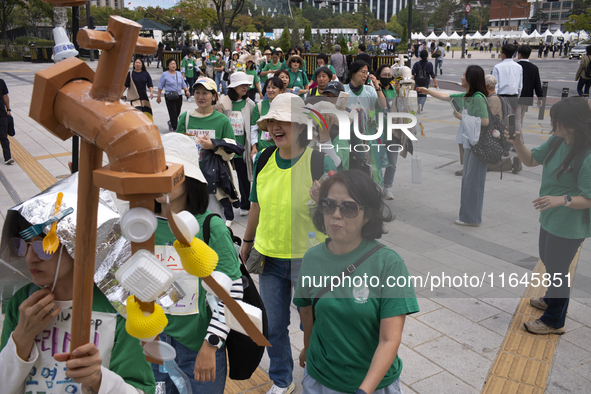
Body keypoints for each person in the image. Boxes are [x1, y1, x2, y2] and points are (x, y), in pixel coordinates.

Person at [0, 179, 156, 394]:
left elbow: (140, 389)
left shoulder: (118, 307)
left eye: (44, 246)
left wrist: (100, 380)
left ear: (77, 245)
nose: (29, 258)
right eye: (22, 246)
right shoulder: (24, 302)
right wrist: (21, 338)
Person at [239, 93, 336, 394]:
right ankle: (282, 378)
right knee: (274, 325)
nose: (275, 127)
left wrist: (327, 201)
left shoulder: (320, 160)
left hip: (310, 260)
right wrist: (247, 241)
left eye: (284, 121)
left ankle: (317, 376)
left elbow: (345, 209)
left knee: (313, 324)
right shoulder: (264, 158)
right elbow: (255, 204)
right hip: (268, 257)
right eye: (271, 121)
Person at [294, 170, 419, 394]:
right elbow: (307, 313)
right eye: (328, 205)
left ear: (368, 215)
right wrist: (308, 347)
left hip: (371, 384)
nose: (336, 215)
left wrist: (364, 390)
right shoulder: (312, 259)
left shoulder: (389, 264)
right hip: (319, 380)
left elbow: (389, 339)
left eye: (348, 207)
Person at [151, 133, 243, 393]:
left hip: (199, 346)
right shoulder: (140, 227)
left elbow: (231, 292)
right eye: (154, 173)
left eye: (168, 172)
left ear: (188, 178)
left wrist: (210, 345)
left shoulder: (210, 227)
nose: (160, 180)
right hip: (153, 345)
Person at [506, 97, 591, 335]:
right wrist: (518, 142)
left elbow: (589, 197)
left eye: (556, 120)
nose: (552, 122)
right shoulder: (557, 140)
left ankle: (554, 320)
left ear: (572, 124)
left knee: (558, 270)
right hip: (551, 217)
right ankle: (552, 299)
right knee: (549, 261)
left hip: (570, 224)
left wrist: (562, 199)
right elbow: (531, 160)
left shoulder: (587, 156)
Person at [417, 65, 490, 226]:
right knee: (469, 180)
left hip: (478, 145)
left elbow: (485, 121)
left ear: (471, 79)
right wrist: (428, 91)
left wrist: (461, 117)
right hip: (472, 143)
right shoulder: (468, 95)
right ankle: (468, 216)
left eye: (464, 74)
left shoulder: (477, 97)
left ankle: (472, 218)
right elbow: (446, 96)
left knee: (474, 182)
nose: (461, 77)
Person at [176, 77, 238, 227]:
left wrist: (214, 146)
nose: (200, 97)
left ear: (214, 96)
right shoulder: (186, 118)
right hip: (189, 180)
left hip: (213, 182)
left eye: (205, 93)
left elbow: (232, 151)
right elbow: (176, 146)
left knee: (212, 223)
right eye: (197, 92)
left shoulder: (222, 120)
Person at [344, 60, 387, 183]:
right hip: (347, 135)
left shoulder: (370, 90)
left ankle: (367, 188)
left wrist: (377, 87)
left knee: (367, 163)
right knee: (349, 161)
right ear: (353, 73)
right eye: (362, 72)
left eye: (366, 72)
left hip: (367, 136)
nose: (365, 75)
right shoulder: (344, 90)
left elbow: (382, 105)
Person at [220, 72, 256, 217]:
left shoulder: (250, 104)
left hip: (242, 147)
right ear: (233, 87)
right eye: (242, 85)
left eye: (247, 85)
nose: (245, 88)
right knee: (226, 177)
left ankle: (245, 204)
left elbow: (253, 125)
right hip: (227, 146)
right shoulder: (224, 102)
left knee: (243, 176)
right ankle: (229, 203)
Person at [484, 74, 522, 174]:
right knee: (482, 162)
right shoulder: (496, 96)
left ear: (486, 86)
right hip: (495, 134)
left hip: (492, 134)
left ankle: (512, 162)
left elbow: (488, 119)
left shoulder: (493, 99)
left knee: (484, 164)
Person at [376, 64, 401, 200]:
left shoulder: (394, 90)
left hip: (393, 132)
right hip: (378, 132)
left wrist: (399, 93)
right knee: (377, 161)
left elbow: (403, 106)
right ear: (379, 75)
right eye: (383, 74)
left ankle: (388, 187)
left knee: (392, 162)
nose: (386, 77)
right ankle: (376, 186)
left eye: (388, 74)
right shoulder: (374, 90)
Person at [250, 76, 284, 160]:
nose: (270, 90)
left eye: (274, 87)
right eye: (268, 87)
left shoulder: (286, 107)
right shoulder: (259, 106)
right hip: (262, 149)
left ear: (281, 91)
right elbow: (254, 128)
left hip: (281, 149)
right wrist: (254, 147)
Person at [516, 45, 544, 139]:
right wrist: (540, 97)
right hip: (528, 96)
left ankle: (520, 141)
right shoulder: (534, 68)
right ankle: (517, 139)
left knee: (516, 120)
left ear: (519, 55)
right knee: (520, 119)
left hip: (517, 96)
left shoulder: (516, 66)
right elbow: (537, 84)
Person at [157, 58, 190, 131]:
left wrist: (187, 91)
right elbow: (160, 86)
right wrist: (158, 97)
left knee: (177, 111)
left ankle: (171, 122)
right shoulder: (164, 74)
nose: (173, 65)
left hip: (179, 95)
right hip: (169, 96)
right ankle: (175, 128)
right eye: (171, 64)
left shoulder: (179, 73)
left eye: (174, 64)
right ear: (168, 65)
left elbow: (183, 84)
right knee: (173, 112)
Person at [492, 44, 523, 112]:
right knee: (511, 119)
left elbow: (495, 85)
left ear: (503, 54)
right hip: (514, 96)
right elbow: (520, 86)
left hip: (501, 97)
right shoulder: (519, 67)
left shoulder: (497, 67)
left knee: (500, 118)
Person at [123, 57, 154, 121]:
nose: (137, 64)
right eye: (136, 62)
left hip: (144, 97)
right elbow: (126, 85)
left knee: (146, 113)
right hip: (135, 97)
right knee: (137, 113)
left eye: (139, 63)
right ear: (134, 64)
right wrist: (121, 93)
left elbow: (150, 84)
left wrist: (151, 92)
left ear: (142, 64)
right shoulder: (131, 73)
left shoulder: (145, 73)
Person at [412, 49, 438, 114]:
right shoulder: (429, 64)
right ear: (427, 56)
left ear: (420, 56)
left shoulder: (416, 64)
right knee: (424, 95)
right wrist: (436, 83)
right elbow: (432, 74)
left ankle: (419, 105)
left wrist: (412, 82)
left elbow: (413, 73)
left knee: (418, 94)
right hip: (425, 82)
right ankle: (421, 106)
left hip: (417, 82)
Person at [0, 78, 13, 164]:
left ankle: (8, 157)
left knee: (3, 136)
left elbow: (5, 96)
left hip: (1, 113)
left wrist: (8, 109)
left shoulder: (1, 82)